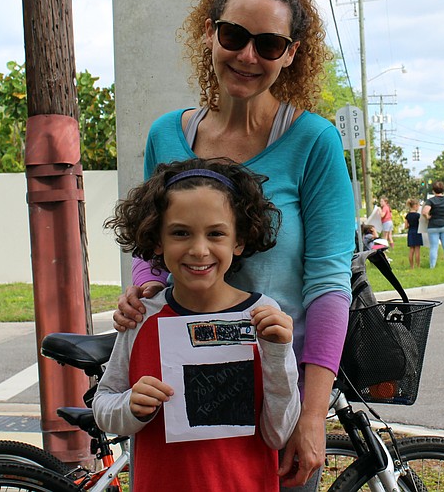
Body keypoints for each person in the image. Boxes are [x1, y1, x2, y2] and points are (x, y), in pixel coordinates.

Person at [112, 0, 354, 489]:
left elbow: (330, 286)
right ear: (209, 33)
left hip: (273, 408)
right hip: (178, 395)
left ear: (290, 54)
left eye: (269, 44)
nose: (248, 55)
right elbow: (150, 244)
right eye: (234, 35)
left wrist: (312, 416)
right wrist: (142, 288)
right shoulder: (165, 135)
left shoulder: (314, 141)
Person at [95, 158, 300, 491]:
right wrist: (130, 405)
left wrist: (278, 355)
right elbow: (104, 405)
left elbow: (278, 433)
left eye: (216, 233)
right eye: (180, 233)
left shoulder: (264, 317)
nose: (199, 249)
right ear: (157, 240)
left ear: (239, 240)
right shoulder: (142, 316)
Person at [421, 181, 444, 268]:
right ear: (443, 190)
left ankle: (432, 266)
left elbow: (424, 212)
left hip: (433, 226)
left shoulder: (431, 201)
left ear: (433, 191)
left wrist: (428, 217)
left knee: (434, 247)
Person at [403, 197, 423, 269]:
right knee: (417, 249)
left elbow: (406, 226)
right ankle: (418, 266)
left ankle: (412, 266)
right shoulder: (418, 216)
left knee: (411, 249)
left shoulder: (407, 215)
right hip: (417, 232)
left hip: (411, 232)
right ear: (415, 206)